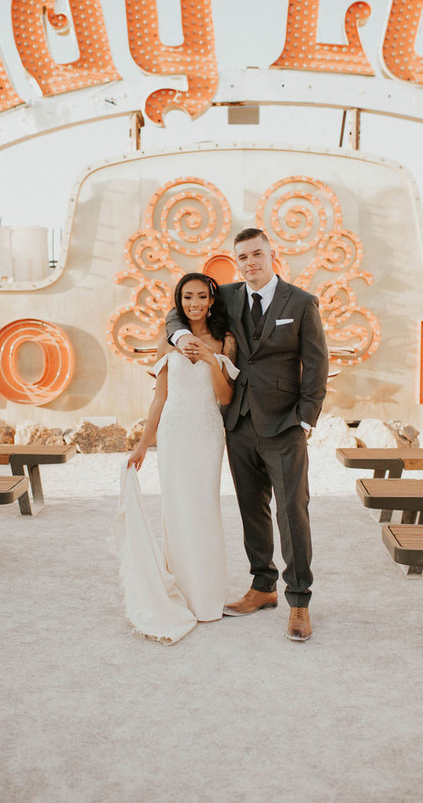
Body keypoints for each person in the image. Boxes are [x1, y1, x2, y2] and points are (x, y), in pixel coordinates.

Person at [166, 229, 329, 641]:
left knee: (292, 512)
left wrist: (305, 420)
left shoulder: (302, 302)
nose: (250, 262)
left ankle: (299, 602)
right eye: (242, 257)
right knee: (251, 509)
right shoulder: (230, 296)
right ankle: (262, 587)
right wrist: (182, 336)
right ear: (236, 262)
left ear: (272, 254)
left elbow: (317, 365)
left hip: (284, 425)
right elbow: (179, 310)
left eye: (257, 254)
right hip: (238, 423)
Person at [126, 272, 238, 633]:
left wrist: (210, 357)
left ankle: (207, 598)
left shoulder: (225, 341)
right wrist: (143, 444)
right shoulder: (166, 342)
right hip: (173, 433)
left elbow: (226, 398)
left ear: (211, 300)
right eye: (187, 297)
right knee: (175, 512)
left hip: (207, 432)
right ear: (180, 301)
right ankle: (182, 594)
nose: (194, 303)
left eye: (201, 297)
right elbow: (159, 399)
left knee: (204, 510)